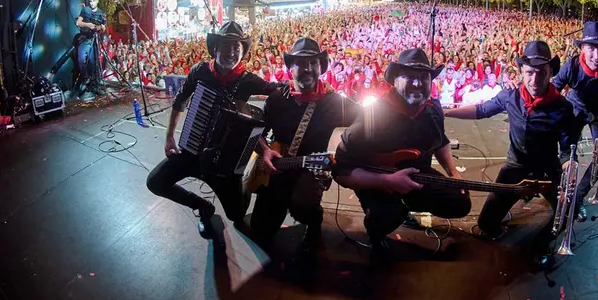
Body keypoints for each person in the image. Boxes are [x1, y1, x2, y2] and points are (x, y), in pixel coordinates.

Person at [146, 21, 287, 239]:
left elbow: (277, 91)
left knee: (236, 214)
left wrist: (295, 85)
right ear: (215, 49)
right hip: (193, 151)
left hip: (225, 162)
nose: (231, 52)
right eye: (226, 46)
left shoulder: (247, 80)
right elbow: (180, 101)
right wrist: (169, 138)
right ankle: (202, 207)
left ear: (243, 51)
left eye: (236, 47)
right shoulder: (200, 71)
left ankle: (242, 185)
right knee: (155, 182)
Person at [444, 41, 579, 261]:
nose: (535, 80)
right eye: (529, 73)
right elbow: (481, 110)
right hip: (516, 166)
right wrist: (447, 112)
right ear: (521, 72)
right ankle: (519, 196)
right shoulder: (510, 97)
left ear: (550, 72)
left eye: (541, 73)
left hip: (547, 169)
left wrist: (568, 168)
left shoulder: (562, 107)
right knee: (486, 223)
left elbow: (566, 148)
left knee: (567, 212)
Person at [333, 48, 472, 254]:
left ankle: (406, 204)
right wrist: (386, 181)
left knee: (460, 203)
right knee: (385, 217)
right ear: (395, 80)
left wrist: (453, 172)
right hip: (376, 181)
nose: (417, 84)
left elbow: (440, 140)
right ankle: (381, 227)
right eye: (409, 77)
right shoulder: (372, 116)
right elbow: (341, 170)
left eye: (423, 77)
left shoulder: (432, 108)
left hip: (417, 175)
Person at [248, 38, 361, 254]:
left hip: (311, 168)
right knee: (260, 230)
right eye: (301, 63)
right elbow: (257, 133)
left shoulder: (334, 103)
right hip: (279, 166)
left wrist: (347, 148)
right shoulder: (277, 99)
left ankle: (313, 223)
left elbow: (367, 121)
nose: (308, 69)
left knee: (302, 206)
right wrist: (264, 151)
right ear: (291, 67)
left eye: (314, 63)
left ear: (320, 67)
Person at [552, 22, 598, 221]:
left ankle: (577, 198)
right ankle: (564, 185)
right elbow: (553, 91)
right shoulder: (572, 66)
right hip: (576, 108)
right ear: (582, 48)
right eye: (591, 49)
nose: (596, 56)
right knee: (567, 149)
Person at [74, 0, 106, 100]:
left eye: (93, 1)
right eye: (90, 1)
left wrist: (99, 27)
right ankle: (85, 78)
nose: (92, 3)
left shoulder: (101, 13)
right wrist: (88, 25)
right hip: (84, 39)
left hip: (94, 40)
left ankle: (93, 83)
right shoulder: (85, 10)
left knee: (94, 62)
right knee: (81, 59)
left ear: (97, 1)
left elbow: (104, 28)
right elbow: (78, 23)